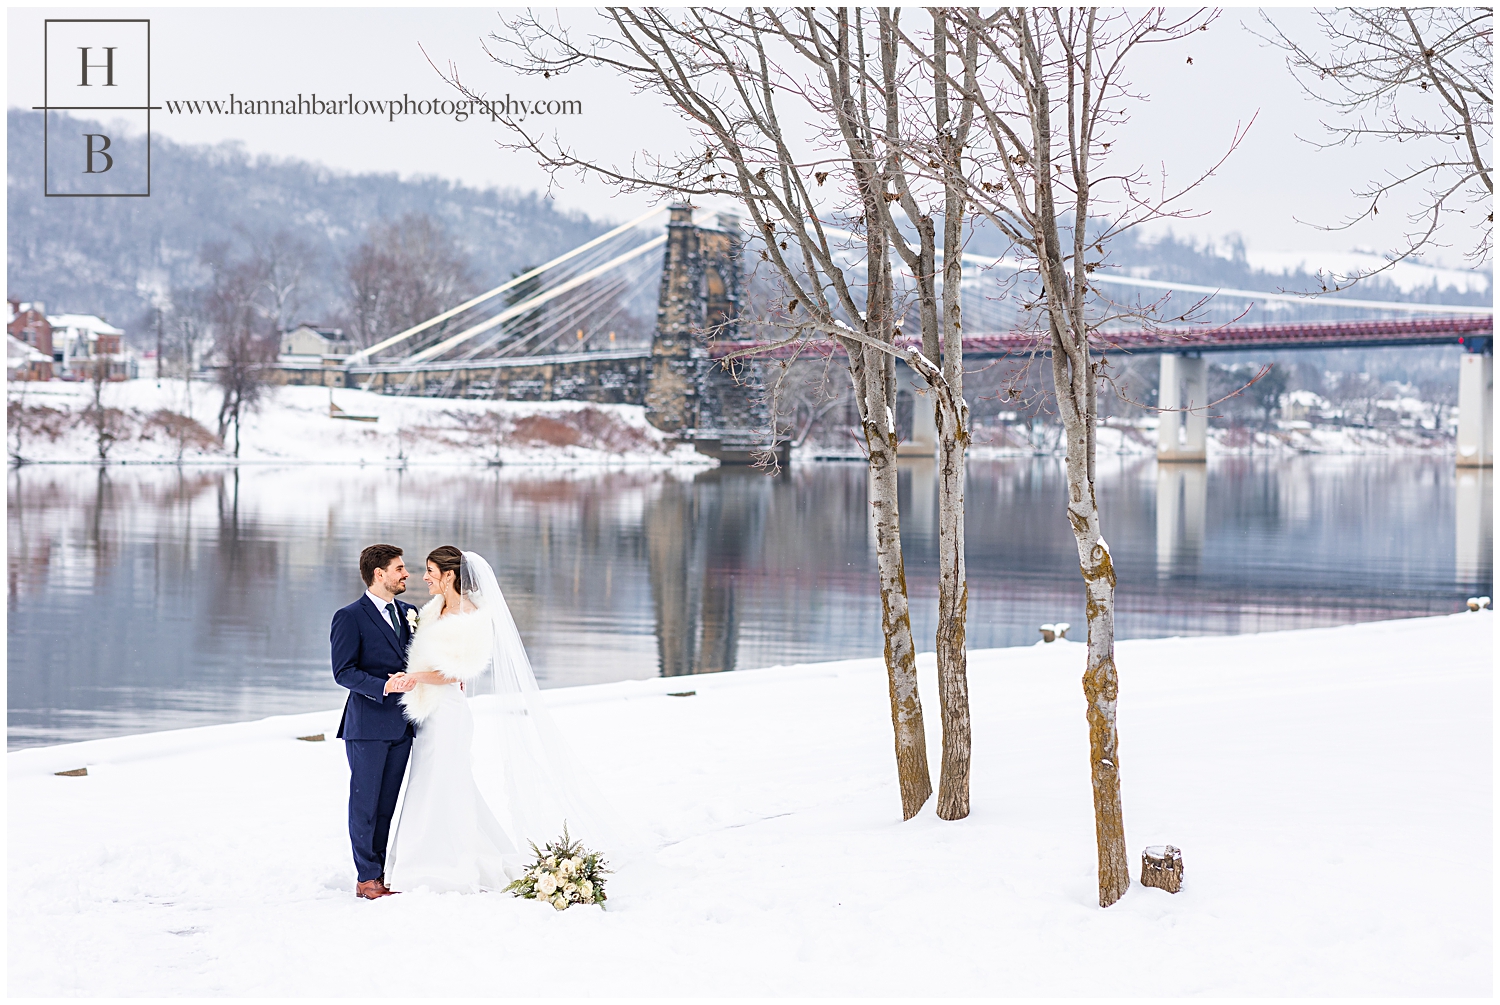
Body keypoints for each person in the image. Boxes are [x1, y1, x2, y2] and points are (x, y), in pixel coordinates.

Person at [382, 546, 516, 893]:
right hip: (426, 713)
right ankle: (415, 858)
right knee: (425, 784)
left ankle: (449, 864)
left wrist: (413, 678)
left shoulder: (471, 616)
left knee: (446, 784)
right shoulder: (431, 610)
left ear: (450, 575)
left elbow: (454, 671)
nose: (423, 577)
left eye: (430, 571)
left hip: (449, 715)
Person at [330, 543, 421, 900]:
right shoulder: (349, 617)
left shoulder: (411, 612)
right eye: (399, 568)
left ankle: (380, 873)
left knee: (387, 805)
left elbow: (421, 658)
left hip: (403, 726)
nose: (406, 574)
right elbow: (344, 672)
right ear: (379, 574)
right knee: (365, 804)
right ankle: (366, 878)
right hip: (367, 725)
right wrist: (383, 685)